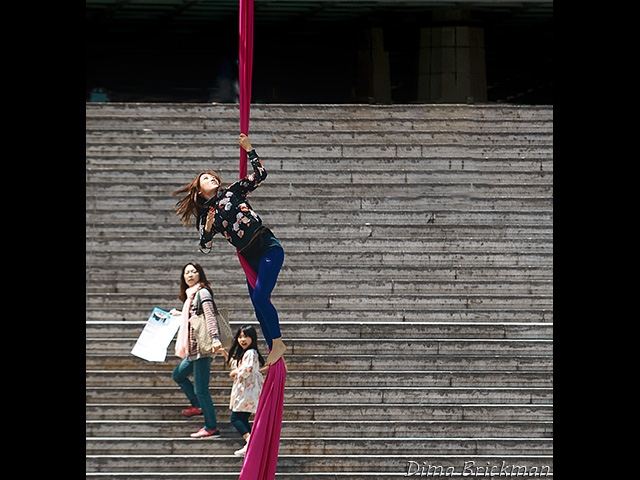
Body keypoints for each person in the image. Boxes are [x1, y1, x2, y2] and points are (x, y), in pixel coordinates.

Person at [172, 133, 287, 368]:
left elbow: (261, 174)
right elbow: (204, 248)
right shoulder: (208, 217)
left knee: (260, 297)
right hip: (249, 259)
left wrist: (249, 149)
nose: (212, 178)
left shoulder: (233, 191)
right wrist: (206, 225)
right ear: (198, 189)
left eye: (213, 176)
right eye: (206, 178)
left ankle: (278, 343)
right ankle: (274, 347)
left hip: (267, 248)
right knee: (257, 306)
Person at [170, 261, 225, 438]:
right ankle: (197, 406)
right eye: (187, 273)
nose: (190, 275)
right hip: (194, 349)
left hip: (202, 347)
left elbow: (209, 316)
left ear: (200, 274)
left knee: (201, 389)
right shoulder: (190, 297)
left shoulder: (202, 292)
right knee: (178, 374)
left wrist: (215, 338)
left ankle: (211, 426)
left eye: (194, 272)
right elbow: (195, 316)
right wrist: (181, 314)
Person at [218, 325, 265, 456]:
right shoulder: (247, 353)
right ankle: (252, 443)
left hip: (247, 390)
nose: (242, 339)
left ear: (253, 338)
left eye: (246, 336)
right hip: (247, 390)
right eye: (240, 337)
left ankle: (250, 442)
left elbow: (247, 368)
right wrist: (224, 353)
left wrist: (236, 372)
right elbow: (237, 365)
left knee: (236, 418)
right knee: (242, 418)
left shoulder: (250, 352)